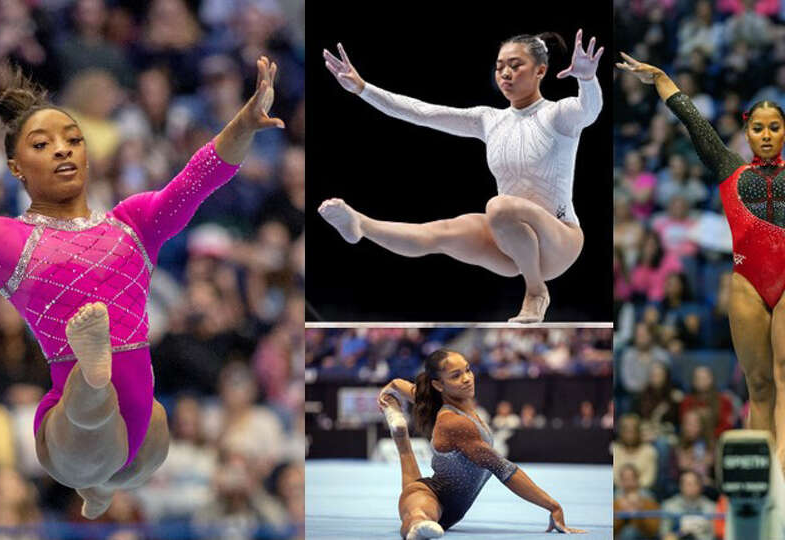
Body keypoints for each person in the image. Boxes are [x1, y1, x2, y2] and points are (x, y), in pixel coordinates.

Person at [0, 57, 283, 518]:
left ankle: (100, 485)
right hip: (71, 429)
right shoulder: (5, 241)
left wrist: (244, 122)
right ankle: (91, 376)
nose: (62, 150)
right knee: (94, 414)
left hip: (141, 439)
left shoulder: (134, 223)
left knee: (139, 446)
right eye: (42, 144)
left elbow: (198, 178)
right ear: (16, 166)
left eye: (73, 140)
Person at [319, 30, 604, 322]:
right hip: (510, 245)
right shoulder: (489, 120)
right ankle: (362, 225)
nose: (505, 72)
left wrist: (587, 79)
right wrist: (363, 88)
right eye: (499, 66)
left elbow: (589, 109)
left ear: (540, 70)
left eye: (515, 65)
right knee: (440, 233)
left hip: (559, 241)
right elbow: (421, 112)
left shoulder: (559, 116)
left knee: (498, 206)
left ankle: (535, 291)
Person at [617, 52, 785, 462]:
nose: (765, 135)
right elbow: (695, 123)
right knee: (758, 384)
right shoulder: (730, 170)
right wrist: (661, 79)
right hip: (746, 283)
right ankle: (762, 470)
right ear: (747, 134)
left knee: (784, 376)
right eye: (758, 128)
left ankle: (782, 467)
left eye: (774, 128)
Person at [377, 349, 584, 539]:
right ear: (439, 385)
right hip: (430, 494)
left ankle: (399, 431)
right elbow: (505, 470)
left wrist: (391, 387)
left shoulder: (449, 402)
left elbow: (413, 391)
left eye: (467, 370)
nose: (467, 379)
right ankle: (417, 523)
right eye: (456, 376)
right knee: (419, 516)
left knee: (408, 460)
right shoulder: (454, 422)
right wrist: (553, 506)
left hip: (447, 509)